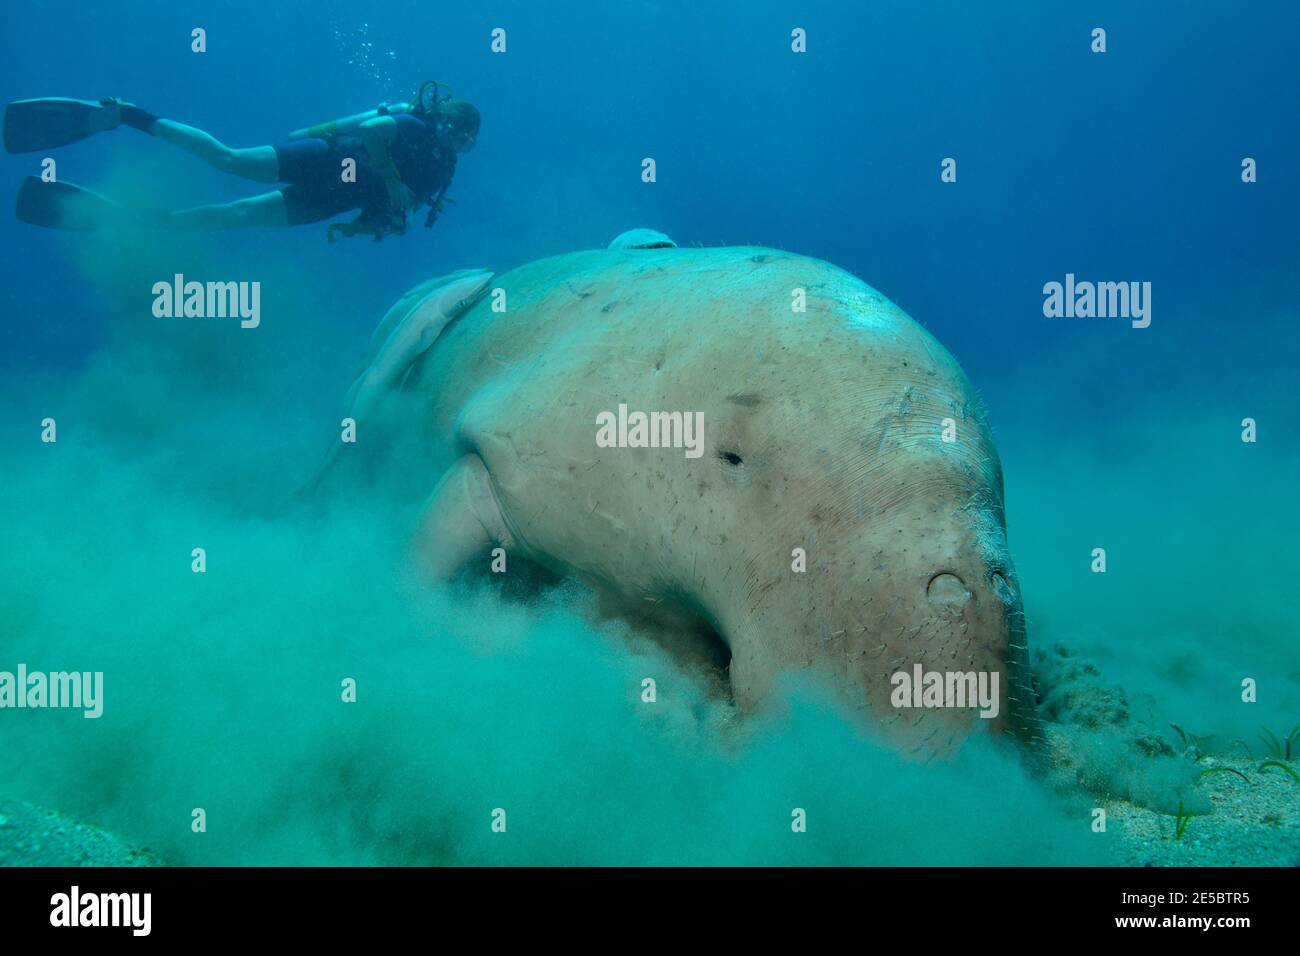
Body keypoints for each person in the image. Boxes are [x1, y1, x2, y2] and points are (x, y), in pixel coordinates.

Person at [7, 82, 479, 240]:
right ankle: (127, 114)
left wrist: (365, 226)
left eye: (467, 140)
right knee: (228, 159)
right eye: (456, 130)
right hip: (325, 162)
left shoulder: (441, 173)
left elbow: (392, 209)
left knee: (237, 216)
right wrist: (394, 178)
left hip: (330, 201)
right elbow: (374, 133)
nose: (458, 142)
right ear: (441, 121)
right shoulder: (415, 128)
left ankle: (132, 221)